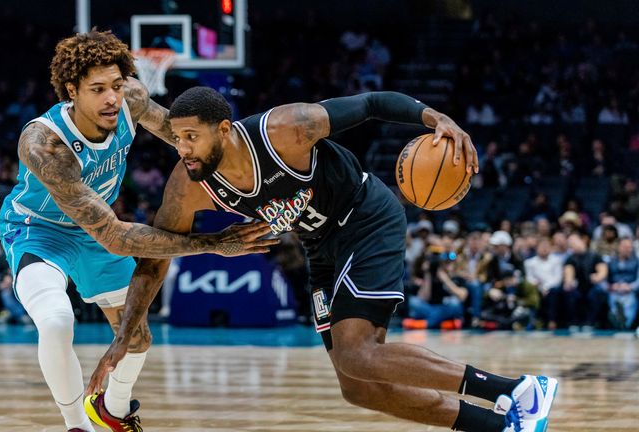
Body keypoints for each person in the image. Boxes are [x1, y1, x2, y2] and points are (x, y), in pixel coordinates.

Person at [87, 87, 559, 431]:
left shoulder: (285, 129)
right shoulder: (188, 185)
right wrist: (124, 336)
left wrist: (434, 118)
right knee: (357, 386)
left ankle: (515, 391)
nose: (183, 149)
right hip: (319, 248)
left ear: (225, 130)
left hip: (365, 216)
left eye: (191, 137)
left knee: (359, 351)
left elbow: (372, 105)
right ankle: (499, 426)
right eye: (177, 139)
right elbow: (154, 259)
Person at [0, 32, 275, 432]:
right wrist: (213, 244)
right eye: (97, 90)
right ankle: (77, 424)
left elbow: (184, 141)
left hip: (95, 227)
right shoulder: (45, 144)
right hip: (38, 231)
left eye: (115, 85)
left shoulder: (132, 99)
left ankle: (113, 408)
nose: (112, 97)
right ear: (72, 91)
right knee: (57, 321)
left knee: (137, 334)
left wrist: (249, 176)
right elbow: (113, 236)